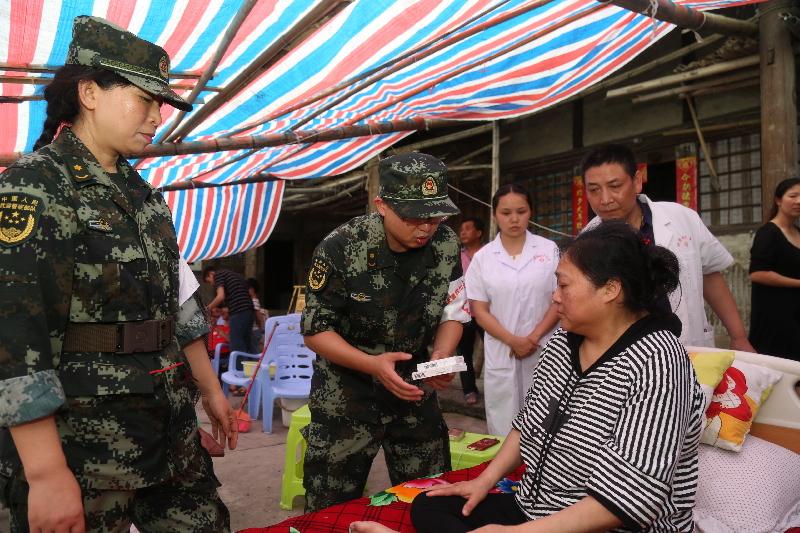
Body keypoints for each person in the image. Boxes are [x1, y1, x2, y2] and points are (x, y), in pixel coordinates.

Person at [0, 16, 236, 533]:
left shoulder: (143, 197)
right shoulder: (36, 189)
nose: (156, 117)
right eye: (144, 100)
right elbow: (15, 336)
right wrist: (44, 473)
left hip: (168, 431)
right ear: (89, 92)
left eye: (161, 105)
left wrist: (210, 390)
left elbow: (180, 304)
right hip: (83, 448)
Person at [351, 221, 705, 533]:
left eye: (564, 285)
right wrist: (483, 481)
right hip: (538, 509)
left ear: (610, 290)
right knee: (431, 506)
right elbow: (529, 425)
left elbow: (630, 502)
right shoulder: (562, 346)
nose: (555, 297)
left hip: (603, 523)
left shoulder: (659, 362)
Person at [301, 152, 471, 512]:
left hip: (412, 390)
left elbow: (454, 309)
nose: (426, 227)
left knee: (431, 499)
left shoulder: (445, 245)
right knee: (330, 506)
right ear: (382, 205)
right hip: (346, 394)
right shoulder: (342, 247)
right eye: (413, 217)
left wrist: (441, 355)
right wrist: (372, 364)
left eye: (435, 214)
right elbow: (315, 330)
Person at [582, 144, 754, 351]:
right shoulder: (585, 243)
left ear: (636, 182)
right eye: (594, 190)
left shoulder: (681, 218)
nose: (605, 199)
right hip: (628, 355)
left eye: (615, 186)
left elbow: (709, 275)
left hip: (688, 346)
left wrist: (738, 336)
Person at [465, 184, 559, 436]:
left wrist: (533, 337)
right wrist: (513, 341)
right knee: (504, 426)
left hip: (544, 348)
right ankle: (508, 475)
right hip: (502, 351)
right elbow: (480, 310)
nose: (514, 219)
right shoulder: (483, 258)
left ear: (530, 212)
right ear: (495, 214)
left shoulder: (548, 250)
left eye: (521, 211)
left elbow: (559, 300)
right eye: (506, 213)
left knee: (545, 422)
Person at [748, 177, 800, 360]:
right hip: (775, 316)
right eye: (793, 195)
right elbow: (757, 274)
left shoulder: (798, 232)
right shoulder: (768, 233)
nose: (798, 201)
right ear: (778, 200)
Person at [458, 216, 485, 405]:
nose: (463, 232)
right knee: (464, 353)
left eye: (468, 228)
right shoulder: (457, 257)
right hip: (464, 312)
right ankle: (469, 390)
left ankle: (494, 388)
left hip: (486, 313)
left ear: (479, 233)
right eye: (462, 230)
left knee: (493, 351)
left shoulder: (489, 254)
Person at [203, 266, 255, 354]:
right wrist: (223, 310)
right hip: (249, 311)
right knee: (246, 345)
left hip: (239, 313)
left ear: (211, 274)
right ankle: (250, 367)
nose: (212, 285)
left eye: (209, 281)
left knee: (236, 346)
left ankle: (238, 367)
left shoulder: (218, 275)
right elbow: (240, 298)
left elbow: (220, 296)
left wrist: (206, 309)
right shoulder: (234, 275)